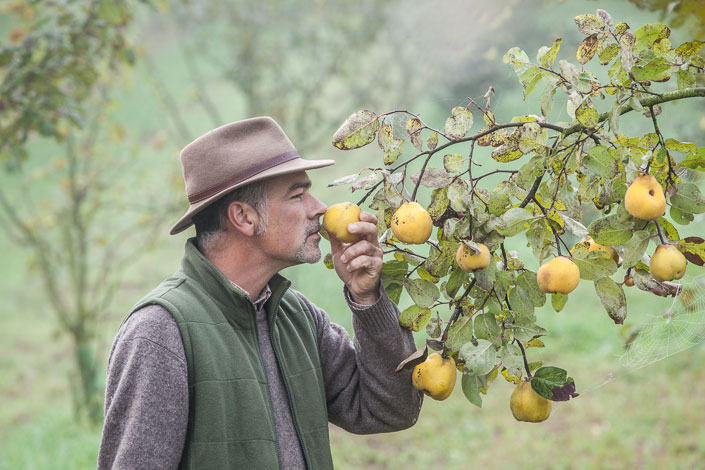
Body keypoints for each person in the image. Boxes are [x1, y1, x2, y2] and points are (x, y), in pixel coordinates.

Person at [97, 116, 423, 469]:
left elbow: (391, 410)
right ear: (244, 217)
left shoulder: (296, 317)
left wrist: (367, 298)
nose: (320, 209)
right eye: (297, 194)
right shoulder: (160, 333)